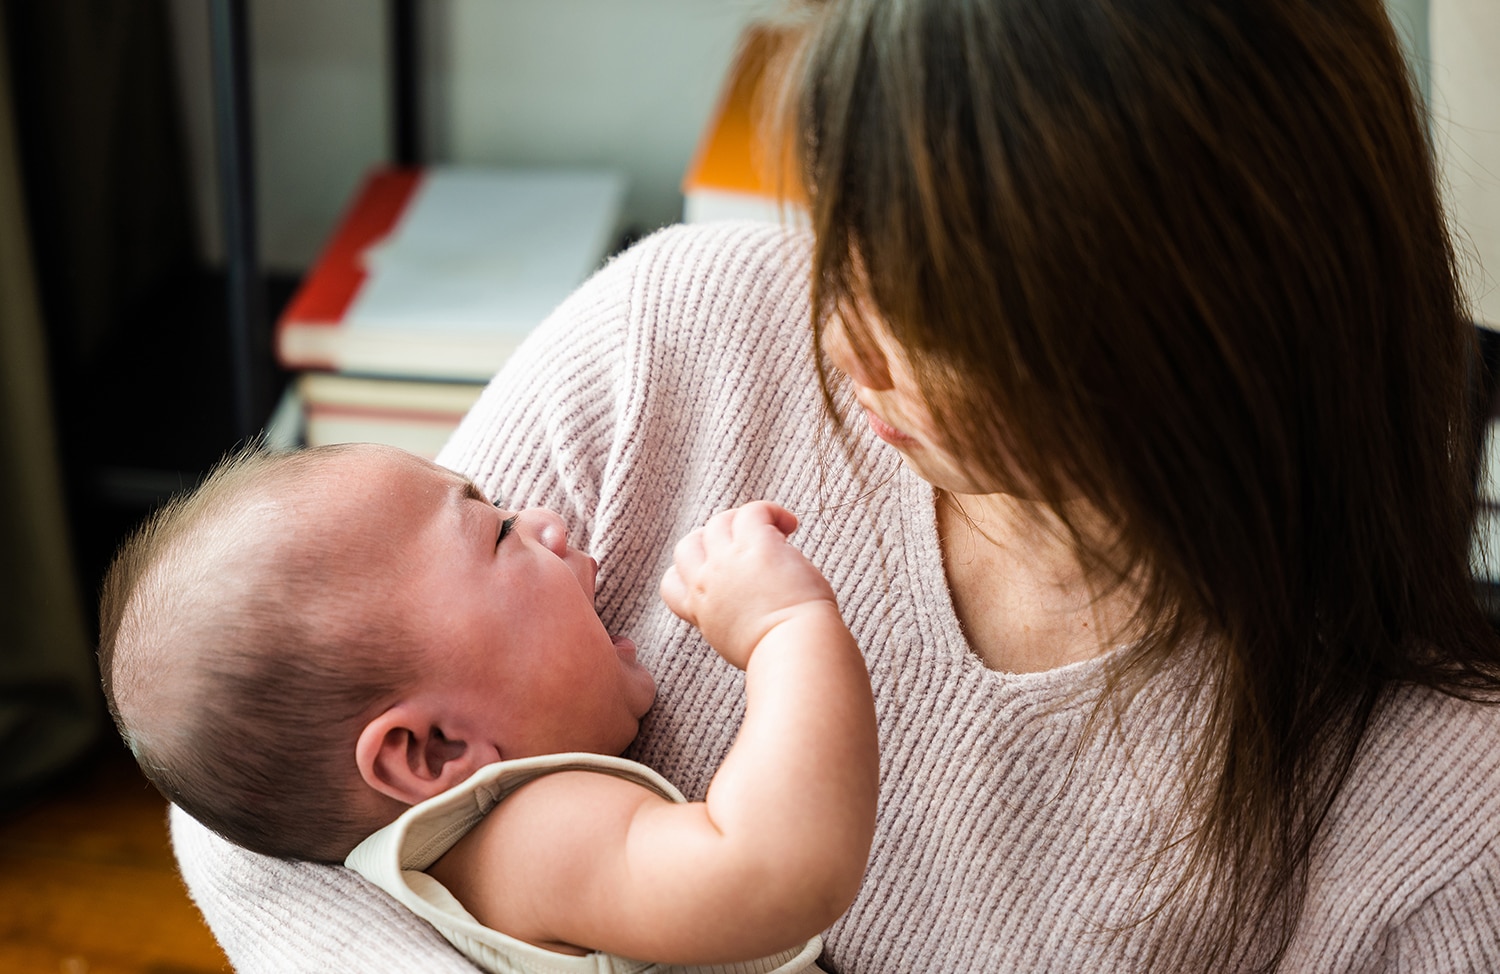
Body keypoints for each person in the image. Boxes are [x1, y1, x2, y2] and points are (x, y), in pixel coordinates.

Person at [166, 0, 1500, 970]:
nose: (838, 336)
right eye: (840, 228)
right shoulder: (678, 337)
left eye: (916, 296)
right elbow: (247, 802)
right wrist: (797, 629)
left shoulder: (1435, 807)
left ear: (1148, 347)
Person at [97, 442, 877, 973]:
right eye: (500, 533)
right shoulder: (531, 841)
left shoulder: (456, 845)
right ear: (433, 751)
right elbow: (774, 872)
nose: (545, 518)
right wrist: (786, 629)